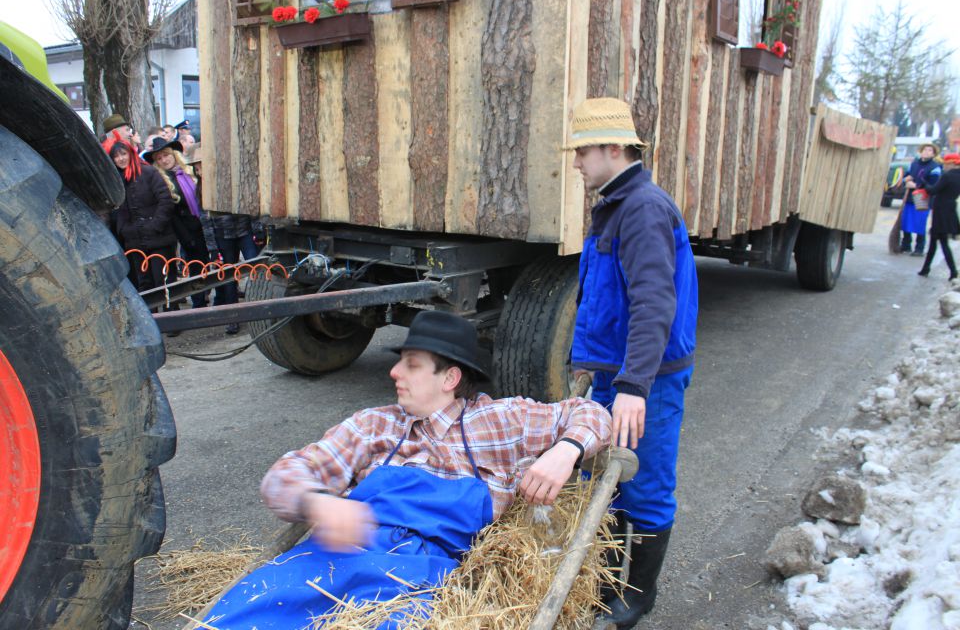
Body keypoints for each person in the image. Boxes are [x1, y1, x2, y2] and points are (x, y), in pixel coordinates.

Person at [202, 311, 612, 629]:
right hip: (330, 560)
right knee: (239, 615)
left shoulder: (500, 422)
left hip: (416, 579)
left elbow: (591, 413)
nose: (394, 372)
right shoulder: (374, 425)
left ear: (450, 377)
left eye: (412, 364)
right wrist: (317, 504)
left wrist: (566, 450)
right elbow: (282, 478)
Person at [565, 97, 698, 627]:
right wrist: (591, 362)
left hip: (647, 380)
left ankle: (636, 596)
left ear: (613, 148)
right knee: (610, 479)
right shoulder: (618, 204)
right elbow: (603, 295)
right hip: (617, 372)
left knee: (644, 481)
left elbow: (653, 302)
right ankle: (608, 576)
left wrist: (634, 386)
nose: (576, 163)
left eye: (582, 152)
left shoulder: (642, 208)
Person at [186, 144, 263, 334]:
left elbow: (250, 204)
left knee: (256, 268)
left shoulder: (231, 180)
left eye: (202, 166)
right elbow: (206, 221)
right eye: (196, 168)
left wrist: (257, 229)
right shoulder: (201, 189)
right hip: (223, 236)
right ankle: (233, 316)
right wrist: (213, 248)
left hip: (243, 230)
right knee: (227, 276)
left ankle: (260, 309)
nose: (199, 171)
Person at [102, 135, 179, 309]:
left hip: (158, 237)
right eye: (117, 156)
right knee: (145, 283)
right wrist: (125, 230)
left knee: (164, 280)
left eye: (123, 154)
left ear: (130, 153)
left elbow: (165, 200)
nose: (121, 158)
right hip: (135, 239)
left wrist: (155, 225)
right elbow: (117, 210)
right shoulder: (117, 181)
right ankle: (152, 318)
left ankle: (172, 316)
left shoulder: (148, 172)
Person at [143, 136, 215, 308]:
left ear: (174, 154)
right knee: (196, 267)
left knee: (210, 262)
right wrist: (185, 237)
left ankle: (208, 294)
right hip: (187, 229)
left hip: (204, 224)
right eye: (159, 158)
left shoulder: (188, 171)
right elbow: (171, 215)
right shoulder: (161, 180)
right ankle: (198, 303)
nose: (164, 160)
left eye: (166, 155)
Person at [918, 152, 960, 280]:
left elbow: (933, 190)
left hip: (941, 210)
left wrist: (924, 184)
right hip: (950, 209)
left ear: (952, 163)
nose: (944, 166)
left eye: (946, 164)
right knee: (934, 241)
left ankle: (953, 271)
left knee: (942, 242)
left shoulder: (947, 176)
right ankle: (925, 269)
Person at [901, 143, 942, 256]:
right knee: (906, 221)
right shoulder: (914, 164)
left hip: (924, 198)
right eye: (925, 149)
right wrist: (906, 180)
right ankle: (906, 244)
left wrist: (916, 185)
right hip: (910, 197)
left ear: (934, 154)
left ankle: (919, 248)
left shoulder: (935, 167)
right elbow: (907, 175)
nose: (927, 152)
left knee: (920, 223)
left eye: (930, 150)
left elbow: (933, 184)